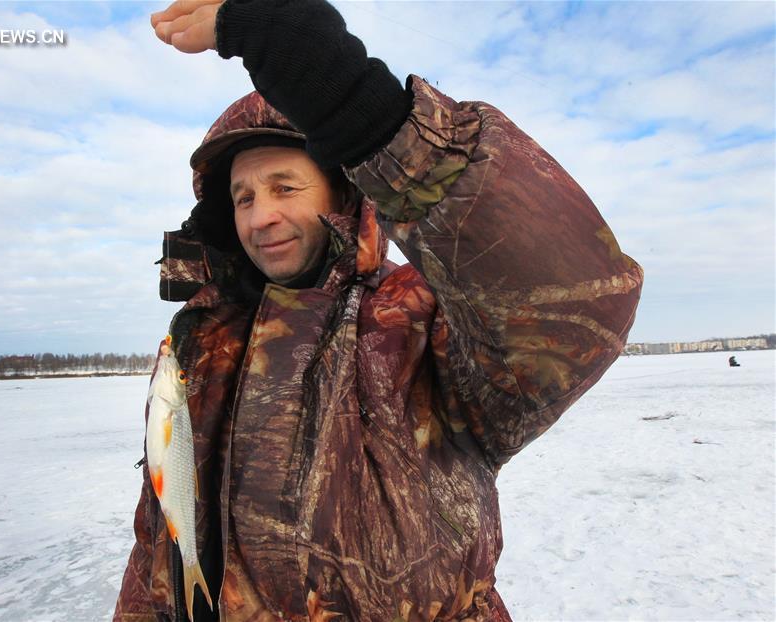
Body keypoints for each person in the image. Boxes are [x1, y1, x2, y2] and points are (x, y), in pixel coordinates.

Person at [115, 1, 643, 620]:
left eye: (285, 187)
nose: (261, 216)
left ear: (344, 193)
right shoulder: (203, 346)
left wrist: (353, 99)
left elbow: (573, 296)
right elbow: (158, 544)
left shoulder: (423, 319)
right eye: (243, 197)